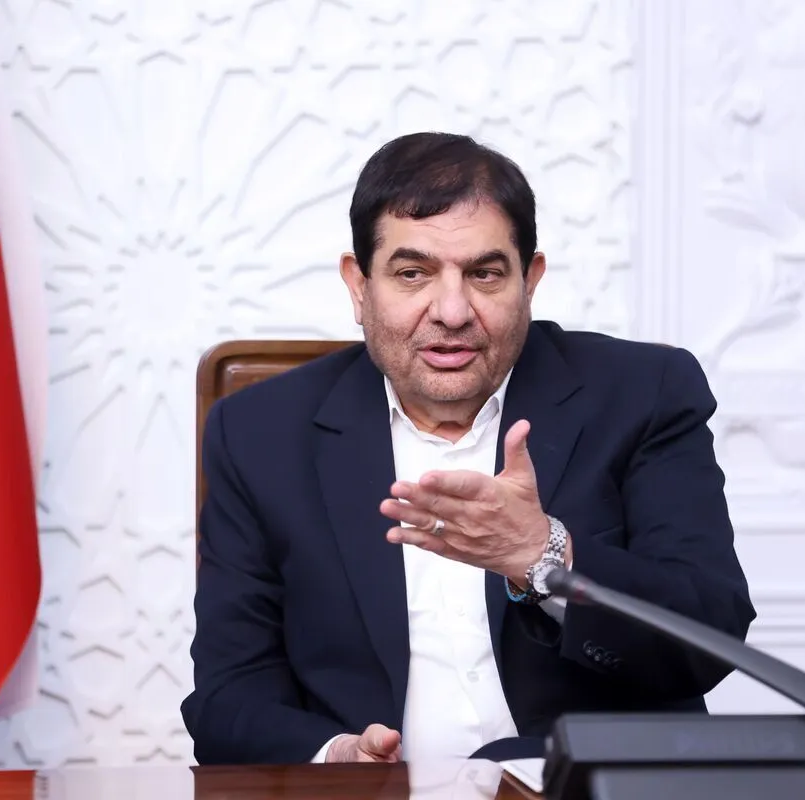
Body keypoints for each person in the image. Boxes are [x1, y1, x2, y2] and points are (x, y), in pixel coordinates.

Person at [181, 132, 756, 765]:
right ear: (359, 286)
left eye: (485, 274)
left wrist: (543, 553)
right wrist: (335, 759)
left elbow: (710, 635)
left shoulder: (644, 394)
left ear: (530, 281)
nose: (452, 312)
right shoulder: (260, 432)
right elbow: (228, 698)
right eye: (412, 274)